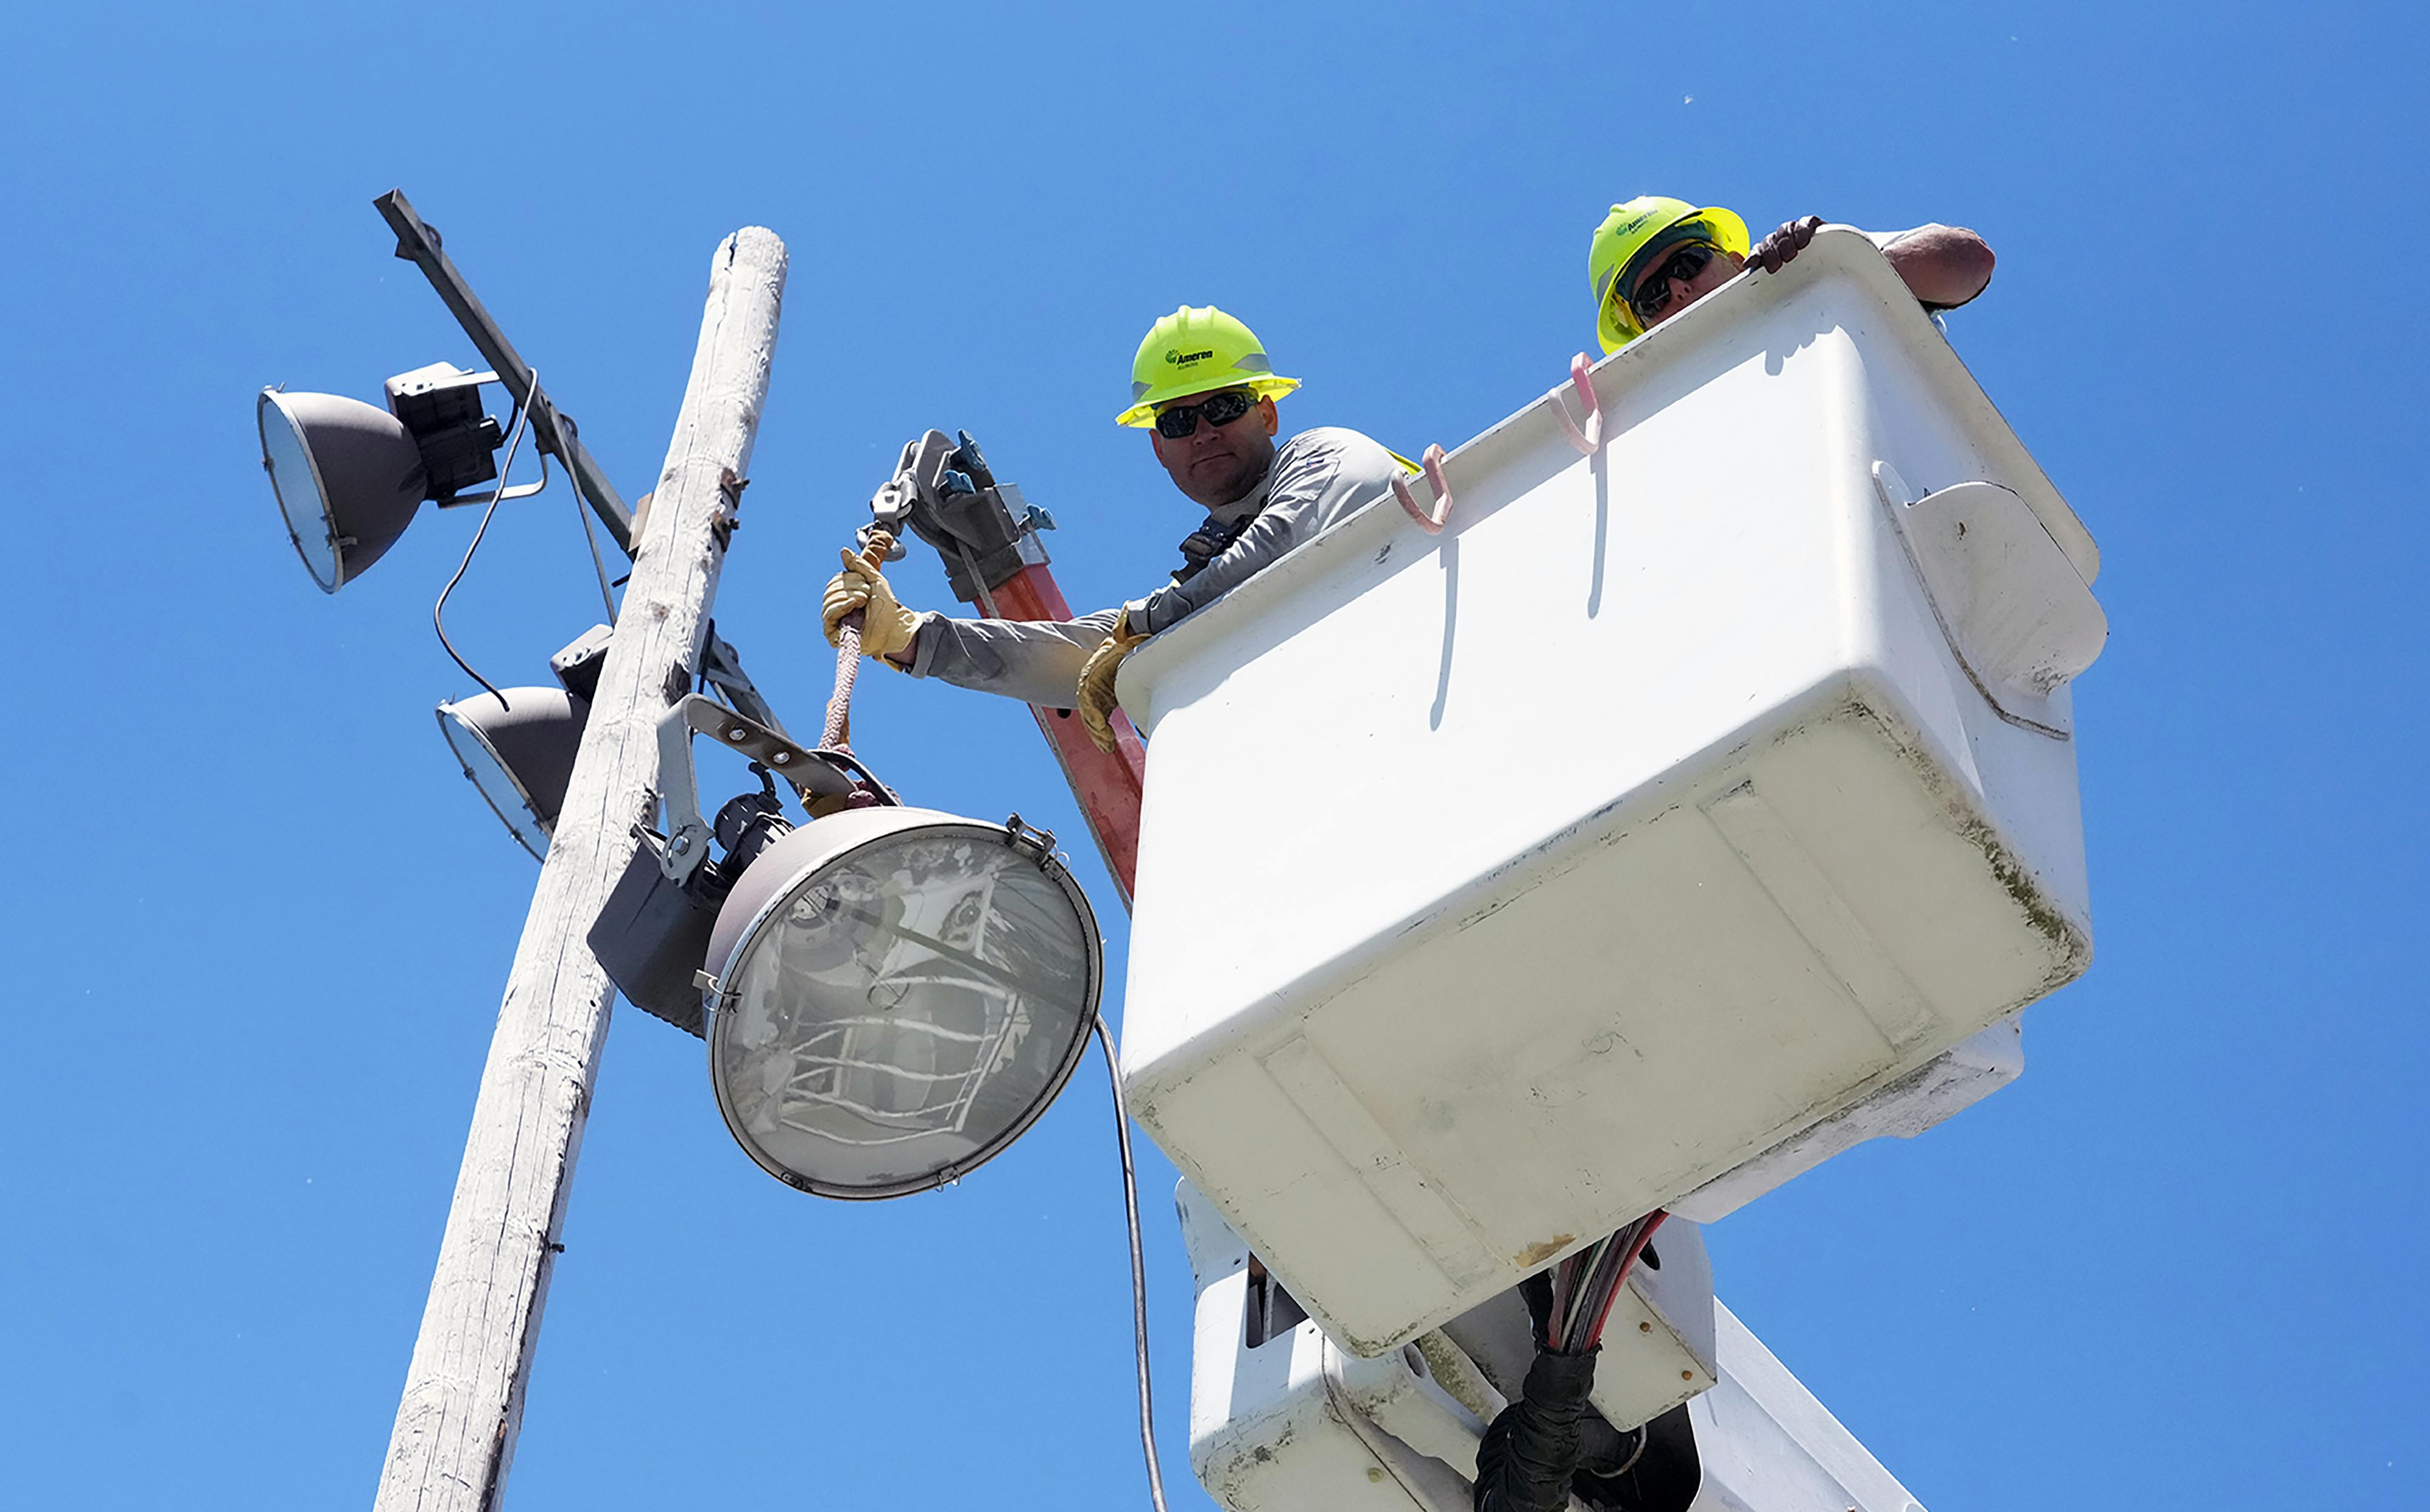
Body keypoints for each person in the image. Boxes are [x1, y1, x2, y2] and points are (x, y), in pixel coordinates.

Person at [820, 305, 1407, 751]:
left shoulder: (1329, 456)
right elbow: (1076, 653)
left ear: (1268, 413)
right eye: (1179, 420)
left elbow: (1281, 544)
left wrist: (1141, 630)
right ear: (1158, 447)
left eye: (1224, 407)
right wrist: (909, 637)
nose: (1203, 430)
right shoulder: (1204, 580)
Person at [1587, 196, 1995, 353]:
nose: (1678, 288)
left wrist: (1831, 273)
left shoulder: (1814, 274)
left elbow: (1968, 263)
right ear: (1640, 332)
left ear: (1734, 258)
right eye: (1653, 296)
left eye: (1688, 263)